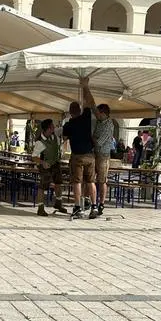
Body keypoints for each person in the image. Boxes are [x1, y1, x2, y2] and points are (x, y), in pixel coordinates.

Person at [62, 78, 98, 220]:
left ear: (70, 112)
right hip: (90, 155)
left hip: (77, 156)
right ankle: (94, 206)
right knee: (91, 181)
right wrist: (85, 86)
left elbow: (64, 138)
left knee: (77, 182)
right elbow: (89, 101)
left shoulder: (68, 125)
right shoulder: (86, 117)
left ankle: (78, 207)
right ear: (80, 110)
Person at [32, 119, 67, 215]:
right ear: (47, 129)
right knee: (43, 186)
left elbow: (62, 136)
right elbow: (34, 157)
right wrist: (42, 162)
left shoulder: (55, 137)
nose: (54, 128)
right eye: (52, 127)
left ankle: (58, 204)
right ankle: (40, 208)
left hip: (55, 164)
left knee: (58, 183)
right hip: (45, 166)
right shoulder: (40, 142)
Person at [90, 98, 113, 216]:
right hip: (95, 153)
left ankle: (101, 203)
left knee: (102, 180)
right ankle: (91, 201)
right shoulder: (99, 122)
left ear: (103, 113)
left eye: (98, 113)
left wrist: (92, 138)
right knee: (91, 178)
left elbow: (98, 142)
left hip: (103, 155)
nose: (96, 115)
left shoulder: (109, 125)